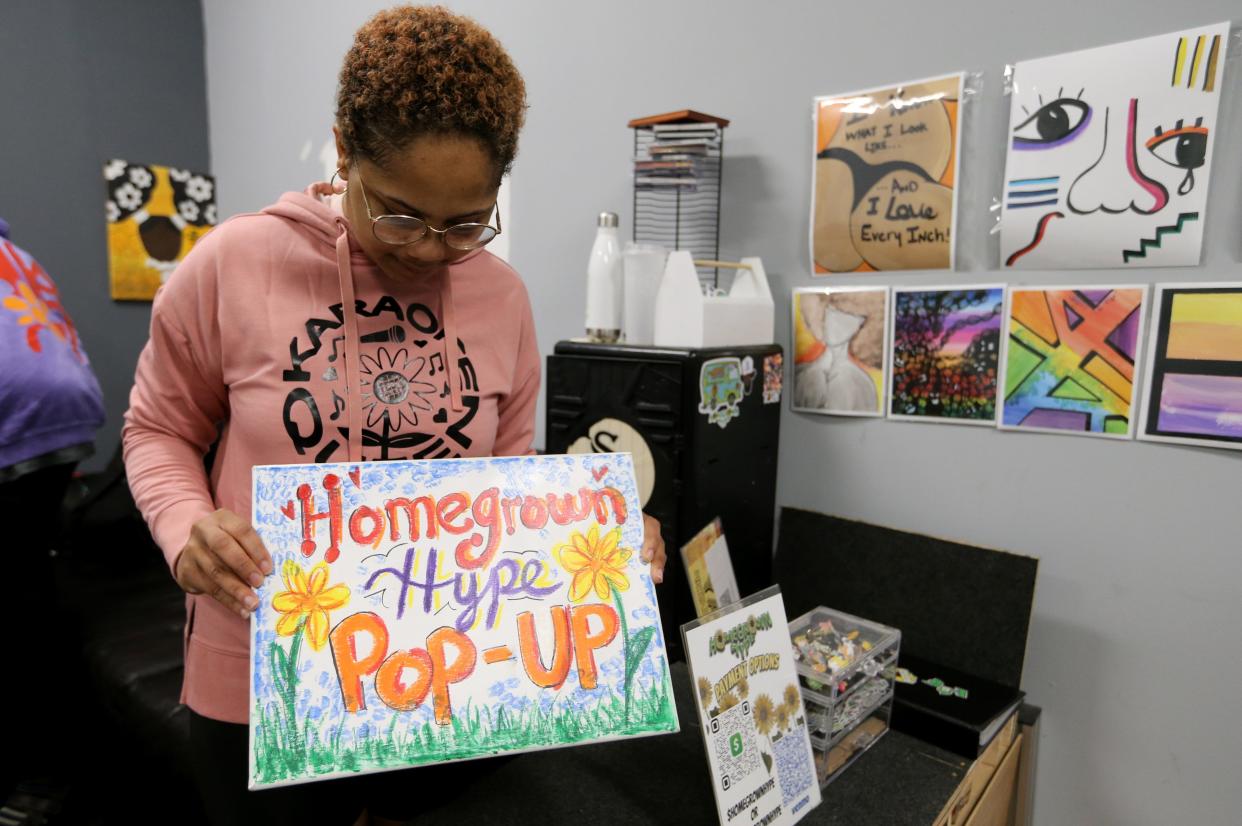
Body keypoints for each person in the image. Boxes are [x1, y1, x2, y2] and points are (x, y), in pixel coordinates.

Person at [122, 6, 666, 825]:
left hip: (449, 680)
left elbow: (508, 489)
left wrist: (606, 538)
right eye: (400, 213)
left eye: (464, 224)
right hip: (262, 680)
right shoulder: (231, 265)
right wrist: (183, 527)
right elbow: (156, 430)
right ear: (343, 149)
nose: (425, 250)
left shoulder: (503, 297)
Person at [0, 216, 105, 818]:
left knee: (19, 603)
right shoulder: (19, 254)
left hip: (15, 413)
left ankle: (45, 774)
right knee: (30, 581)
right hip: (62, 410)